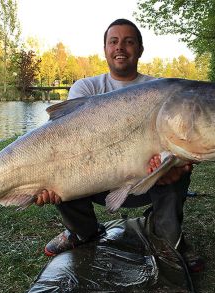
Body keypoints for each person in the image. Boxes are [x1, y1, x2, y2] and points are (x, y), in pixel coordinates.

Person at [35, 18, 203, 272]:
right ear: (105, 49)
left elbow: (184, 140)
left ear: (140, 49)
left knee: (177, 165)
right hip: (95, 181)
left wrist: (177, 165)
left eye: (128, 41)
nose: (120, 47)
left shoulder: (158, 89)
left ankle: (167, 237)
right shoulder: (86, 87)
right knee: (60, 169)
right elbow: (73, 141)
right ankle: (82, 233)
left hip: (146, 180)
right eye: (113, 42)